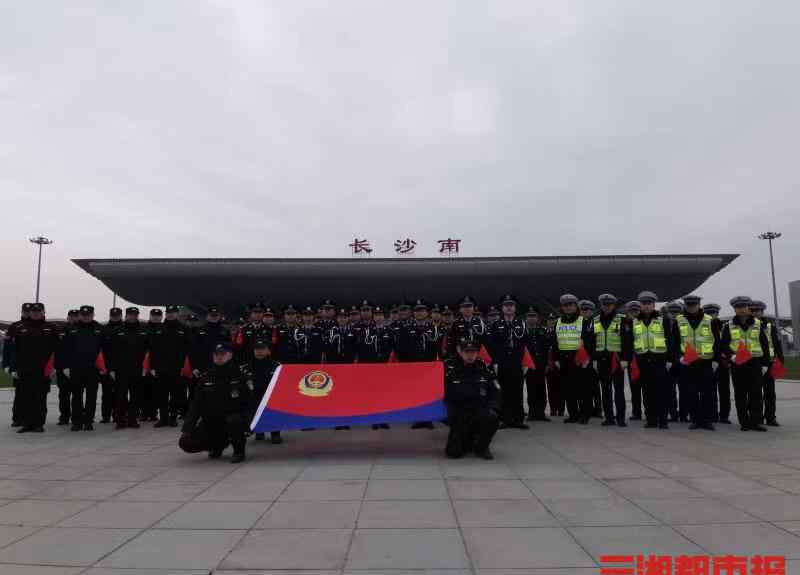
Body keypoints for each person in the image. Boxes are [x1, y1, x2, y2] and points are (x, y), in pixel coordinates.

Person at [180, 342, 251, 463]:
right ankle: (216, 446)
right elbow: (196, 404)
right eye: (216, 354)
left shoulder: (240, 375)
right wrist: (187, 427)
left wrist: (249, 424)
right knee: (186, 442)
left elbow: (250, 402)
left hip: (233, 419)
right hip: (212, 420)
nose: (219, 357)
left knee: (234, 421)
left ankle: (239, 451)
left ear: (230, 355)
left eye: (222, 354)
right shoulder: (206, 376)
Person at [626, 291, 679, 429]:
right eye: (644, 304)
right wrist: (632, 360)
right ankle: (651, 420)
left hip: (660, 362)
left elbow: (671, 341)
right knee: (647, 393)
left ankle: (663, 420)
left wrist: (670, 360)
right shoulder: (635, 321)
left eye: (649, 303)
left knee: (661, 392)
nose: (647, 306)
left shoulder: (664, 320)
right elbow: (631, 342)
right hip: (643, 362)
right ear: (641, 305)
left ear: (654, 304)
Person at [444, 338, 501, 460]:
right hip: (459, 412)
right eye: (467, 352)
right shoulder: (450, 369)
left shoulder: (484, 368)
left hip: (479, 409)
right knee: (453, 453)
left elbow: (495, 391)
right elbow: (441, 393)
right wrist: (449, 412)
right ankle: (467, 440)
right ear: (461, 352)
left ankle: (482, 447)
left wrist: (493, 408)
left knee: (492, 418)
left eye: (473, 352)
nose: (470, 355)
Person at [720, 296, 771, 431]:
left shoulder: (758, 324)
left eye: (744, 307)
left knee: (756, 394)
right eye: (739, 307)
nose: (742, 310)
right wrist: (732, 356)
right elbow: (723, 346)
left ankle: (755, 422)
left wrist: (765, 364)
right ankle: (744, 422)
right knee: (740, 394)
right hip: (738, 363)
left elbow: (764, 345)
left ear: (748, 308)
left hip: (755, 363)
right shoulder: (728, 326)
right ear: (735, 309)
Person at [7, 302, 59, 432]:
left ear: (43, 312)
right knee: (25, 396)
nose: (36, 314)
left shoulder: (51, 328)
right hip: (25, 368)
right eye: (34, 312)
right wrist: (14, 367)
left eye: (39, 312)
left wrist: (54, 366)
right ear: (30, 313)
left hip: (43, 368)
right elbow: (15, 350)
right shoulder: (20, 328)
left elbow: (57, 349)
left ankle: (38, 424)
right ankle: (26, 423)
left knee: (40, 397)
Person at [675, 295, 720, 430]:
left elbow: (717, 341)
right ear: (685, 306)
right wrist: (679, 357)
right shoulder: (679, 320)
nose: (691, 307)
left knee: (708, 393)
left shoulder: (710, 320)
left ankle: (707, 420)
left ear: (699, 305)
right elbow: (675, 341)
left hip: (706, 362)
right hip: (688, 362)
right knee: (691, 392)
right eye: (689, 305)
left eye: (694, 305)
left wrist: (716, 360)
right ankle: (695, 419)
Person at [552, 294, 595, 424]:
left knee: (583, 389)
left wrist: (588, 358)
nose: (568, 307)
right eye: (566, 305)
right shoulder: (558, 322)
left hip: (580, 358)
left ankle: (585, 414)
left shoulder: (584, 321)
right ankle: (573, 414)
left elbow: (591, 341)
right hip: (564, 359)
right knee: (568, 388)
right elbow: (555, 342)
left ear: (576, 306)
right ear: (562, 307)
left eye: (571, 305)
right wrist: (556, 359)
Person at [61, 305, 105, 431]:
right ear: (80, 315)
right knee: (76, 397)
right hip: (76, 368)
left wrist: (104, 367)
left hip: (93, 369)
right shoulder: (71, 329)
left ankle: (88, 421)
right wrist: (65, 366)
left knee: (91, 396)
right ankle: (77, 421)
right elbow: (64, 349)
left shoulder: (99, 329)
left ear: (93, 315)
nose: (86, 317)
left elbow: (106, 349)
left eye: (89, 315)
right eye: (84, 315)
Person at [488, 294, 528, 429]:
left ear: (515, 308)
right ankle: (504, 419)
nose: (509, 308)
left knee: (517, 391)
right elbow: (492, 346)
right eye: (506, 306)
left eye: (511, 305)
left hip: (517, 363)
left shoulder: (522, 324)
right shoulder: (496, 325)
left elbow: (525, 344)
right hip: (502, 363)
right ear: (502, 308)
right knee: (503, 392)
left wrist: (525, 362)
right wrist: (495, 362)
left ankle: (518, 419)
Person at [107, 307, 150, 429]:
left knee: (135, 396)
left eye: (135, 314)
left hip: (137, 368)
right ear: (126, 316)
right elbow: (110, 352)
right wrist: (111, 369)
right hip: (121, 369)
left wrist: (145, 367)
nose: (132, 316)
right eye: (130, 314)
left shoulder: (143, 331)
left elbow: (149, 351)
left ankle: (132, 420)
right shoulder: (118, 330)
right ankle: (120, 420)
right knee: (120, 396)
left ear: (137, 315)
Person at [150, 305, 190, 427]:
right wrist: (152, 366)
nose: (171, 314)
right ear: (165, 314)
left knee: (175, 394)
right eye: (168, 312)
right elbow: (152, 349)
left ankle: (172, 417)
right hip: (161, 367)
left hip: (177, 367)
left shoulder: (183, 329)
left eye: (173, 312)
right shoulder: (158, 328)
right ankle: (163, 418)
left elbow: (188, 349)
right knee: (161, 394)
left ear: (177, 314)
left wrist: (185, 366)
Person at [593, 294, 628, 427]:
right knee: (605, 390)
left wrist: (625, 358)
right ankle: (609, 418)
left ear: (614, 305)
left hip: (617, 360)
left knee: (619, 390)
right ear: (601, 305)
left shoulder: (622, 319)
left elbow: (626, 341)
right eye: (604, 304)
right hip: (602, 360)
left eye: (609, 304)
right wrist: (594, 359)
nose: (607, 307)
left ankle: (620, 418)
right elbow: (593, 341)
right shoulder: (595, 320)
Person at [241, 339, 282, 443]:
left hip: (271, 396)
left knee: (275, 406)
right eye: (257, 349)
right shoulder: (246, 367)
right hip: (254, 395)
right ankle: (259, 431)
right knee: (253, 405)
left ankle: (275, 432)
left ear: (269, 351)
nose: (259, 351)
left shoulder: (277, 366)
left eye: (262, 349)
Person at [750, 300, 782, 426]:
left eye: (758, 310)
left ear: (762, 312)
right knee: (754, 392)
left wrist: (780, 360)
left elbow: (777, 344)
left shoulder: (770, 326)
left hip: (769, 363)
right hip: (754, 362)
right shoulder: (747, 326)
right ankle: (756, 417)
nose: (755, 313)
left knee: (769, 392)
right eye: (752, 310)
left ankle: (770, 417)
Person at [3, 303, 33, 427]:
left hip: (34, 366)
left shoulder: (39, 326)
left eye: (29, 311)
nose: (27, 313)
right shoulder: (14, 326)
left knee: (33, 394)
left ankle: (30, 418)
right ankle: (17, 418)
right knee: (20, 394)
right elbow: (7, 347)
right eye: (25, 311)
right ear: (22, 311)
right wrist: (6, 364)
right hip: (18, 366)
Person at [703, 303, 731, 424]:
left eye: (714, 313)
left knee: (724, 391)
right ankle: (712, 414)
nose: (712, 316)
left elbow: (730, 343)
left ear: (717, 314)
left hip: (723, 364)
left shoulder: (725, 327)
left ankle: (724, 416)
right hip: (709, 363)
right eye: (709, 313)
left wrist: (727, 356)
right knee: (711, 390)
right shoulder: (703, 328)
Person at [523, 306, 549, 421]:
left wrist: (547, 364)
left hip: (541, 364)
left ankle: (541, 413)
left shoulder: (543, 331)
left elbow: (546, 349)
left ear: (538, 318)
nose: (531, 318)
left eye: (534, 316)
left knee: (541, 388)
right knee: (530, 388)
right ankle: (532, 413)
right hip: (528, 365)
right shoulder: (522, 332)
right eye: (529, 316)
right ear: (526, 318)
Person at [54, 309, 79, 425]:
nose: (74, 318)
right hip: (62, 368)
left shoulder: (83, 329)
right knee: (63, 395)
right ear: (68, 317)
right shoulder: (61, 330)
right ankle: (64, 417)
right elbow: (58, 350)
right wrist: (62, 367)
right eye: (72, 316)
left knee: (77, 395)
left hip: (77, 368)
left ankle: (76, 417)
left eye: (76, 316)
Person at [99, 307, 123, 423]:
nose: (115, 317)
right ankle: (105, 416)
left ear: (121, 315)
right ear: (110, 316)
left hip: (121, 366)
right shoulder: (104, 329)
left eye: (117, 315)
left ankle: (118, 415)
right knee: (106, 393)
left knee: (120, 393)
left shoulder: (125, 328)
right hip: (107, 366)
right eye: (113, 316)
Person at [579, 300, 603, 418]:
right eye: (584, 310)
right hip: (580, 359)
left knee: (594, 386)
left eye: (588, 310)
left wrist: (593, 358)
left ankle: (598, 409)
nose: (586, 312)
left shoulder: (596, 324)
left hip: (592, 359)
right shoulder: (578, 324)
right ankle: (585, 410)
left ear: (592, 311)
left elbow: (598, 342)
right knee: (583, 386)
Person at [665, 301, 687, 422]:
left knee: (684, 389)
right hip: (669, 362)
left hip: (683, 360)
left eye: (676, 312)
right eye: (671, 312)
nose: (674, 314)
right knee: (670, 390)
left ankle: (684, 414)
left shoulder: (685, 324)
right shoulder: (663, 324)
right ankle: (673, 414)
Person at [624, 300, 645, 421]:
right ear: (628, 312)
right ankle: (636, 413)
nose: (634, 313)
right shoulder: (624, 324)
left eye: (636, 311)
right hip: (632, 361)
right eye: (632, 311)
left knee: (647, 388)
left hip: (644, 359)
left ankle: (649, 411)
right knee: (635, 388)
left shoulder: (644, 323)